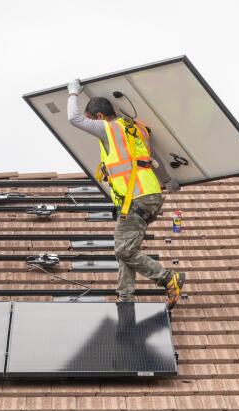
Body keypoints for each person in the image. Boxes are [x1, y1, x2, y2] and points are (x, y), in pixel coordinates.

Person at [67, 79, 185, 309]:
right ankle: (125, 299)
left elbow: (73, 118)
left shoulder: (107, 128)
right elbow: (151, 158)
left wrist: (73, 92)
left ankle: (167, 277)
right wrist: (168, 181)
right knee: (128, 249)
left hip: (135, 198)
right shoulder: (134, 129)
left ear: (99, 117)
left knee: (122, 249)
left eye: (92, 121)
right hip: (151, 195)